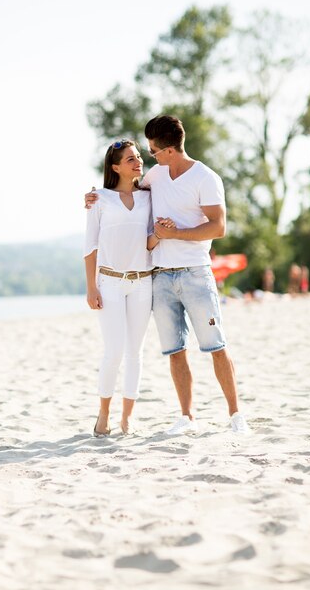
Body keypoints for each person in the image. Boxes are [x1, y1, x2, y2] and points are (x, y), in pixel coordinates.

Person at [85, 115, 250, 435]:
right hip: (158, 277)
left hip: (195, 273)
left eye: (153, 152)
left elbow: (218, 227)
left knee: (216, 345)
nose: (149, 158)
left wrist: (175, 234)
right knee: (175, 349)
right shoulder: (154, 178)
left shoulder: (206, 177)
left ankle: (235, 414)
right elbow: (120, 196)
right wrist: (92, 196)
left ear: (169, 149)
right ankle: (187, 417)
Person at [83, 139, 172, 437]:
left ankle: (128, 418)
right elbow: (90, 247)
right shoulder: (99, 199)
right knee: (114, 351)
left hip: (141, 281)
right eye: (131, 159)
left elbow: (147, 241)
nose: (138, 162)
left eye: (138, 157)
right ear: (115, 166)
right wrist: (91, 288)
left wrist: (159, 236)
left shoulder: (148, 197)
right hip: (108, 282)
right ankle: (103, 413)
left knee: (135, 352)